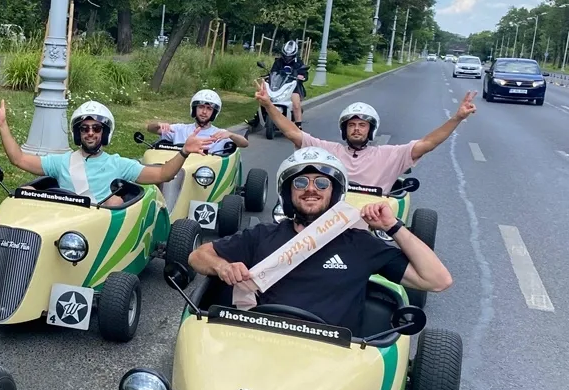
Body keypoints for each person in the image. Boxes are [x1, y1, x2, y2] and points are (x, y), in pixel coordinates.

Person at [188, 148, 452, 330]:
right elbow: (197, 256)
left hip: (333, 357)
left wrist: (393, 226)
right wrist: (224, 267)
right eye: (300, 183)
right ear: (288, 193)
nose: (311, 189)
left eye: (322, 184)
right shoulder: (262, 235)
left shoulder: (360, 244)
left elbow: (437, 280)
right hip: (263, 337)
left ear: (334, 192)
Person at [0, 98, 206, 207]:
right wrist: (3, 126)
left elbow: (163, 174)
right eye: (85, 129)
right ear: (78, 133)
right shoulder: (61, 161)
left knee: (115, 201)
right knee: (24, 190)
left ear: (104, 133)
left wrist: (184, 151)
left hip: (97, 232)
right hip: (59, 223)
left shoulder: (118, 164)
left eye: (96, 128)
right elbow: (19, 159)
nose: (90, 133)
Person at [254, 87, 477, 191]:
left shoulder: (389, 155)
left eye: (362, 125)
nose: (357, 129)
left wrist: (457, 118)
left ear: (370, 130)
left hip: (371, 223)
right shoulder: (327, 150)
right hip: (328, 219)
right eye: (352, 125)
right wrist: (268, 105)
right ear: (344, 129)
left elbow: (427, 144)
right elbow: (293, 133)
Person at [146, 89, 249, 155]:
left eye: (209, 109)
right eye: (201, 107)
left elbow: (245, 144)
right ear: (194, 109)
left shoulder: (220, 134)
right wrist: (158, 124)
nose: (204, 112)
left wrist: (231, 135)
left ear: (214, 113)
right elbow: (150, 129)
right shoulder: (180, 129)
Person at [269, 40, 308, 126]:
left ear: (294, 54)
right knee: (264, 98)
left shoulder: (298, 62)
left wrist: (301, 77)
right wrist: (268, 76)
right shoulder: (278, 61)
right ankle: (256, 119)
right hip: (278, 86)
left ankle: (298, 125)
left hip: (293, 87)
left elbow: (304, 74)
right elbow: (273, 72)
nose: (287, 58)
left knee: (296, 104)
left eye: (289, 56)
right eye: (285, 55)